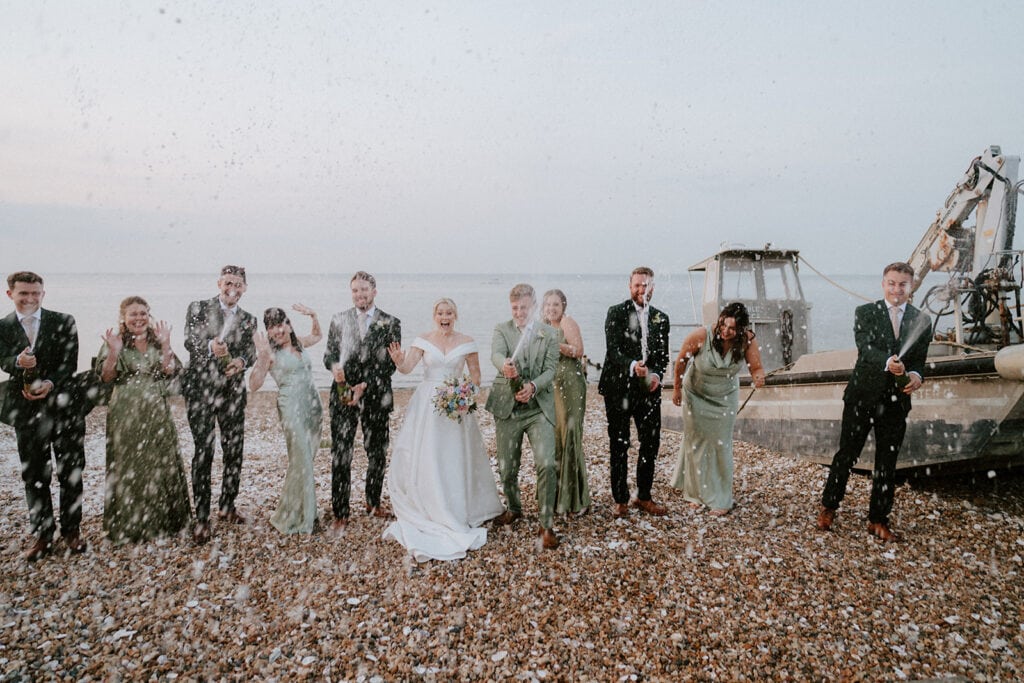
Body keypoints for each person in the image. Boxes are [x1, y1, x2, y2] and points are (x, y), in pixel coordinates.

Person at [382, 298, 504, 561]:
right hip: (427, 405)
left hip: (455, 405)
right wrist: (398, 360)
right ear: (434, 315)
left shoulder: (467, 342)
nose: (444, 316)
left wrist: (464, 394)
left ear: (455, 315)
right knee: (427, 454)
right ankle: (428, 502)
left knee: (453, 456)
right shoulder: (423, 340)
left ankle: (458, 505)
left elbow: (476, 376)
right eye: (440, 313)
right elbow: (406, 369)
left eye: (449, 313)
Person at [817, 261, 931, 542]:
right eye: (891, 283)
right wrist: (887, 362)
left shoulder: (922, 321)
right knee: (846, 454)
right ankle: (829, 506)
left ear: (911, 286)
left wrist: (916, 377)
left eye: (903, 284)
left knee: (887, 462)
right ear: (883, 284)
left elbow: (919, 361)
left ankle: (878, 520)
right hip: (862, 397)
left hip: (896, 402)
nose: (897, 289)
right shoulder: (865, 313)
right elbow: (865, 349)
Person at [0, 271, 87, 561]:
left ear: (43, 294)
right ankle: (43, 535)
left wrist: (50, 383)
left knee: (71, 471)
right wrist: (17, 362)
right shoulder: (2, 327)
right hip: (25, 410)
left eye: (35, 293)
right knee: (35, 474)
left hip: (64, 406)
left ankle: (72, 531)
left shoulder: (64, 321)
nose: (30, 298)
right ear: (10, 294)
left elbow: (69, 361)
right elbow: (2, 360)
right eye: (23, 293)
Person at [96, 297, 192, 544]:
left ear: (149, 315)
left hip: (155, 407)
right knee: (129, 462)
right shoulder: (115, 341)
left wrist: (166, 342)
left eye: (142, 314)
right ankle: (130, 523)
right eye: (132, 315)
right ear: (123, 318)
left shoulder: (156, 340)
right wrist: (114, 352)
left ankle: (165, 521)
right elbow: (106, 377)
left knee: (160, 459)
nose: (138, 318)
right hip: (125, 409)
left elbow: (169, 370)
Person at [183, 265, 257, 544]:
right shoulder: (198, 307)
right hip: (201, 391)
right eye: (228, 282)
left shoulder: (249, 319)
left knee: (234, 450)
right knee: (203, 451)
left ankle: (227, 505)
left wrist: (241, 362)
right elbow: (190, 342)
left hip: (232, 394)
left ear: (245, 288)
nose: (232, 288)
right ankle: (202, 518)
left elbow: (250, 350)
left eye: (238, 284)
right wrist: (210, 350)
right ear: (219, 283)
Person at [323, 271, 401, 533]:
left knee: (377, 453)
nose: (360, 294)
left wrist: (365, 384)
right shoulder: (339, 320)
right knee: (341, 455)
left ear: (374, 291)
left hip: (377, 396)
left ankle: (373, 502)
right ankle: (341, 512)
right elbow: (329, 356)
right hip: (343, 397)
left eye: (364, 290)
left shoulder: (390, 322)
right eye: (355, 290)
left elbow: (391, 364)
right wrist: (335, 369)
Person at [670, 302, 766, 515]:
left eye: (732, 329)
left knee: (721, 444)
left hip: (724, 397)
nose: (725, 331)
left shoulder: (747, 340)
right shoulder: (702, 336)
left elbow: (756, 367)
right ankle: (695, 494)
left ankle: (721, 497)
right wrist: (676, 389)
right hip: (696, 393)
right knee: (696, 442)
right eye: (723, 324)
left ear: (741, 329)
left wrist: (758, 377)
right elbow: (681, 362)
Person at [485, 283, 561, 549]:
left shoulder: (550, 333)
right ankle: (514, 506)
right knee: (507, 467)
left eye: (524, 308)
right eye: (515, 308)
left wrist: (533, 386)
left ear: (534, 306)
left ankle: (546, 524)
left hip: (538, 408)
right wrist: (503, 365)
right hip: (508, 407)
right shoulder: (501, 329)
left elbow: (551, 369)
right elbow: (495, 353)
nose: (519, 312)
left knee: (547, 463)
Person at [598, 266, 671, 518]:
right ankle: (620, 499)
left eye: (647, 285)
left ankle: (644, 495)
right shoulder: (616, 313)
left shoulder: (662, 318)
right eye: (638, 285)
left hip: (648, 390)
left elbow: (662, 357)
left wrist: (656, 375)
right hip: (618, 388)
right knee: (619, 443)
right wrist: (633, 365)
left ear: (653, 287)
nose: (642, 290)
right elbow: (613, 350)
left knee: (650, 443)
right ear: (630, 286)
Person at [249, 305, 324, 535]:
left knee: (305, 460)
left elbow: (318, 336)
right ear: (268, 332)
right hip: (290, 406)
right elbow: (253, 385)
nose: (277, 331)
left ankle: (298, 508)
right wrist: (261, 358)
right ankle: (302, 517)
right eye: (271, 327)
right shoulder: (269, 353)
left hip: (312, 406)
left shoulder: (299, 342)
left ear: (289, 325)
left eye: (280, 324)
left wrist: (314, 315)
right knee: (301, 459)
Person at [541, 289, 591, 515]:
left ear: (563, 307)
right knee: (555, 437)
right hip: (551, 387)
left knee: (569, 436)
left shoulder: (567, 323)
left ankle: (574, 498)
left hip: (570, 385)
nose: (551, 309)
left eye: (555, 305)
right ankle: (556, 496)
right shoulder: (542, 326)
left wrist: (554, 344)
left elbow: (578, 351)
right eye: (548, 305)